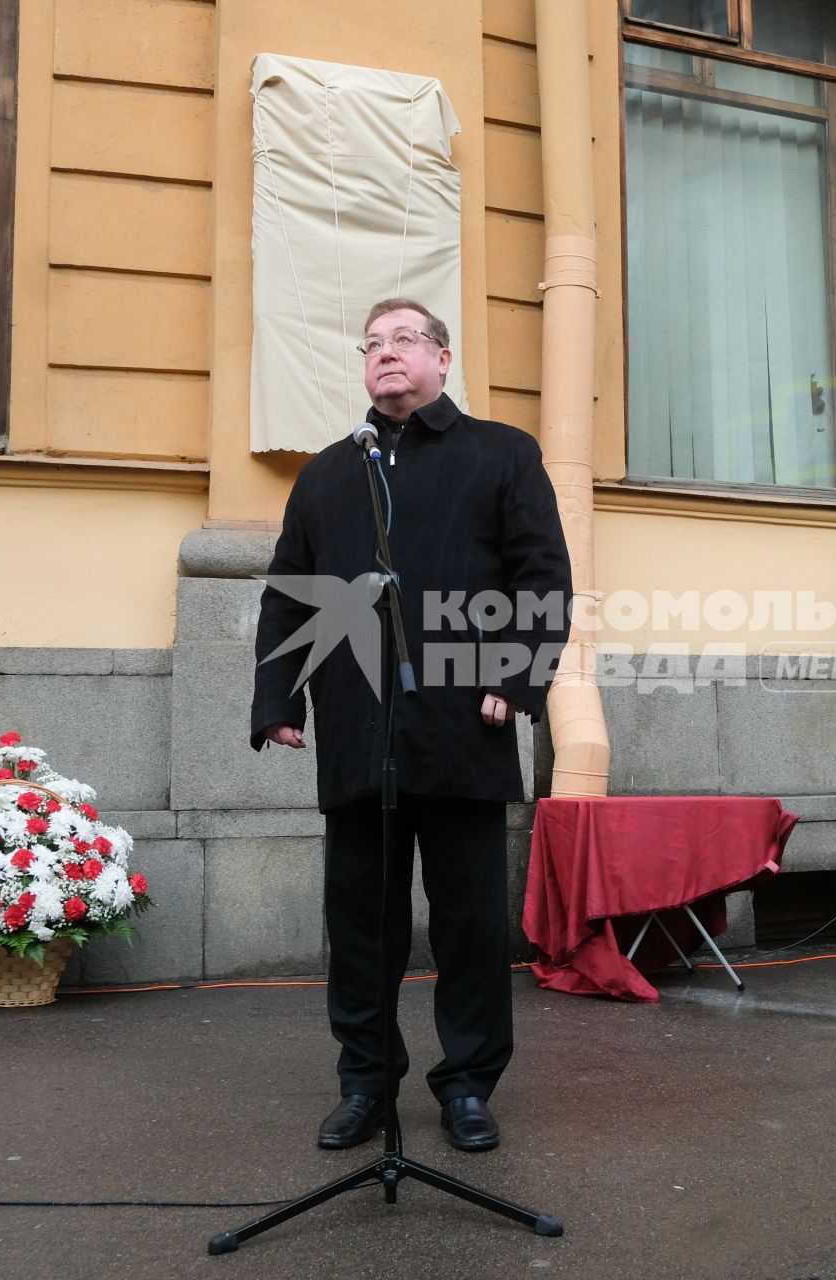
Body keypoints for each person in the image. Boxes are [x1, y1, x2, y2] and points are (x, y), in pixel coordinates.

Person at [251, 298, 573, 1152]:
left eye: (403, 340)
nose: (385, 355)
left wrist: (515, 673)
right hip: (360, 732)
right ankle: (365, 1084)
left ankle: (467, 1085)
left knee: (468, 923)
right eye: (372, 344)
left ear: (442, 357)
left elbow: (543, 574)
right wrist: (279, 699)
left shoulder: (501, 454)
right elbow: (292, 593)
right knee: (362, 926)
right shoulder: (327, 474)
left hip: (465, 722)